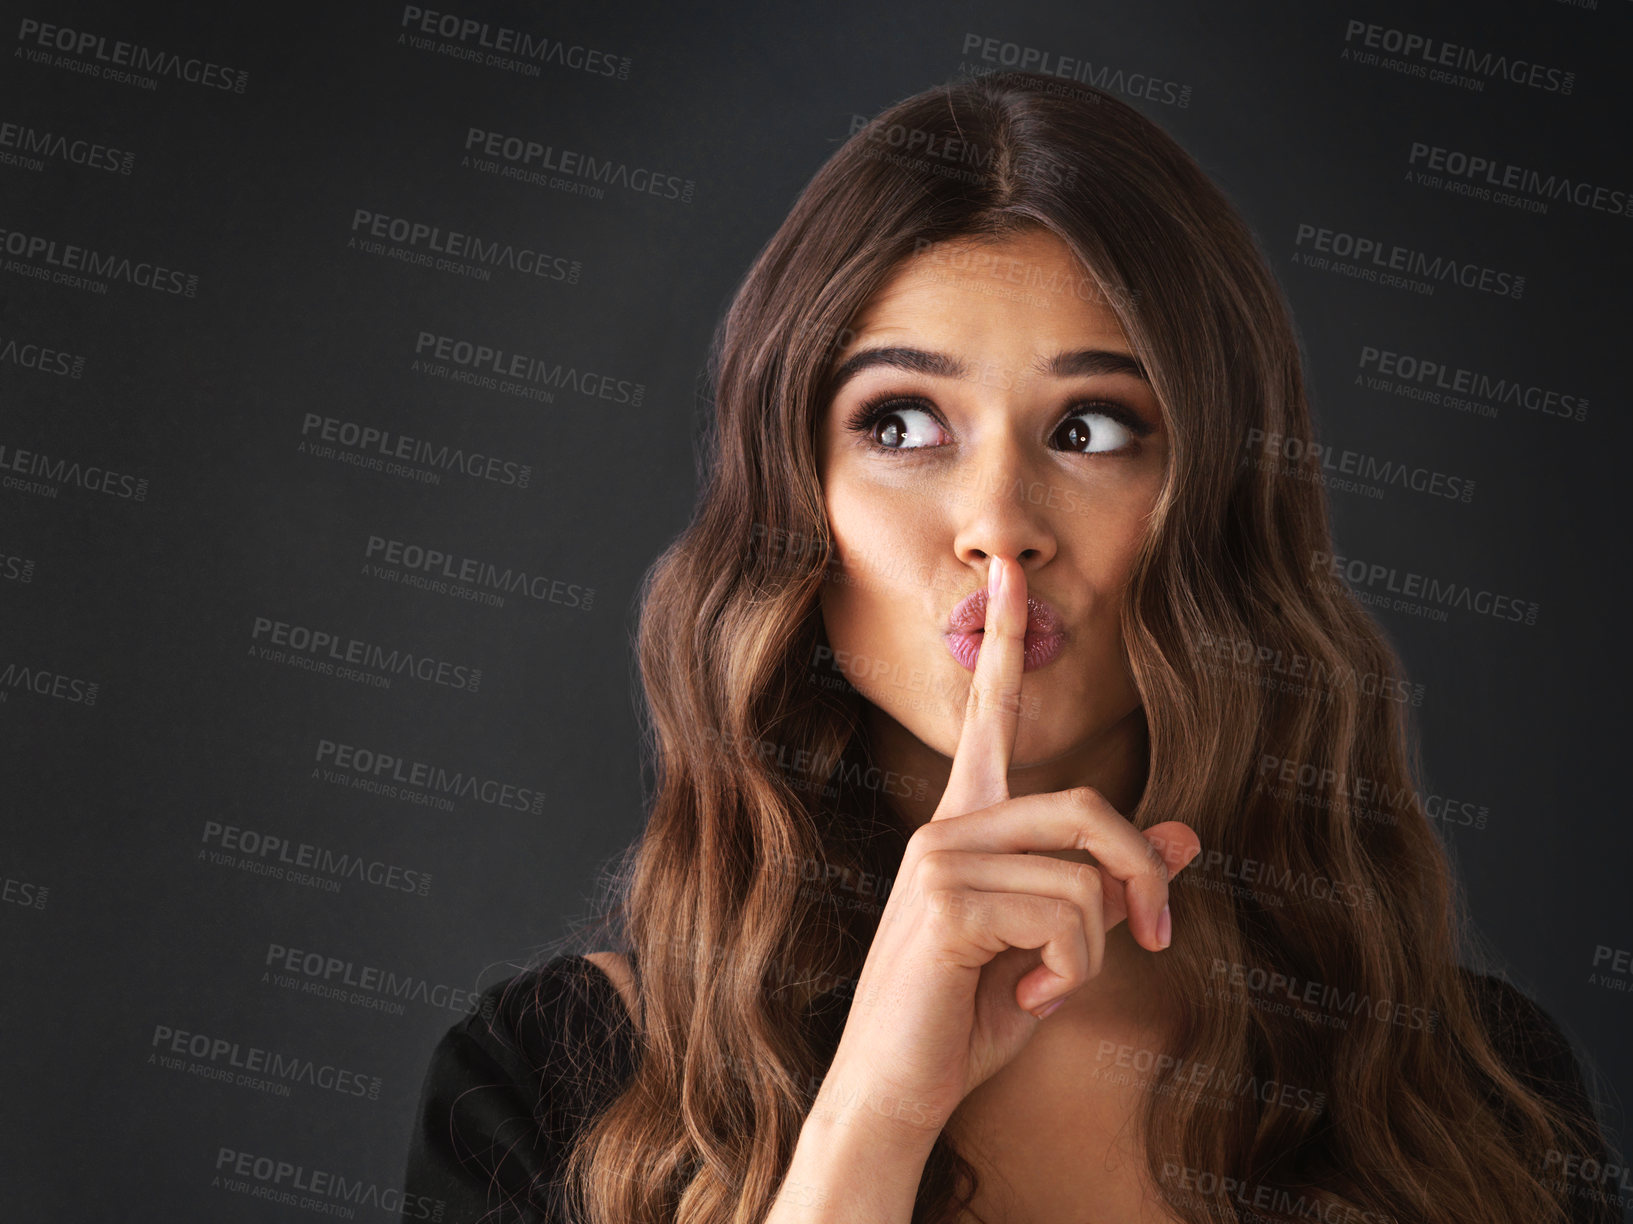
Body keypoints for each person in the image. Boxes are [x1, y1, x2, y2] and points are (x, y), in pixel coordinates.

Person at [402, 70, 1621, 1224]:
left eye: (1091, 428)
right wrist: (876, 1110)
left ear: (1217, 507)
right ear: (791, 501)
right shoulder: (546, 1085)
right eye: (901, 421)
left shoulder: (1474, 1091)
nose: (998, 526)